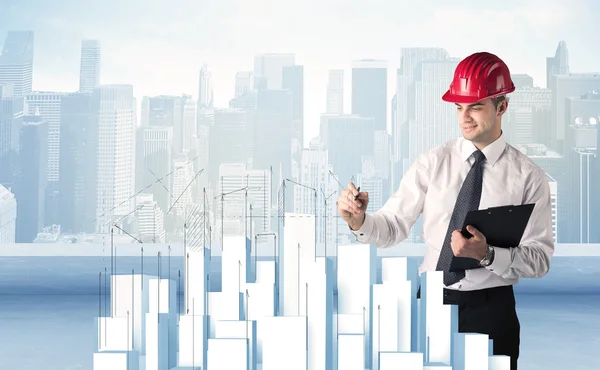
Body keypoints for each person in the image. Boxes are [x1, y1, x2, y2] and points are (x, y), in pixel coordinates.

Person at [336, 51, 554, 370]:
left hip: (491, 309)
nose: (465, 117)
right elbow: (394, 224)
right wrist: (360, 222)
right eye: (459, 107)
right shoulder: (433, 162)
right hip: (432, 302)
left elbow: (539, 260)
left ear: (502, 106)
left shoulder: (528, 177)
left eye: (476, 106)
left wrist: (488, 254)